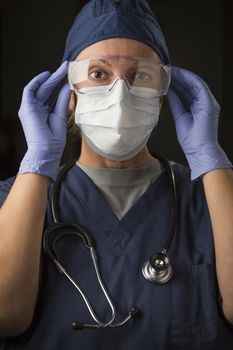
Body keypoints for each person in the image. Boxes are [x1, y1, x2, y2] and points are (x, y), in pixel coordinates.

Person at [0, 0, 233, 349]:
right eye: (98, 74)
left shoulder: (211, 198)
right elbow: (5, 315)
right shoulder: (13, 199)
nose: (120, 94)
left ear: (159, 97)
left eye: (140, 75)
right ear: (71, 94)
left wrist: (211, 161)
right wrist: (37, 162)